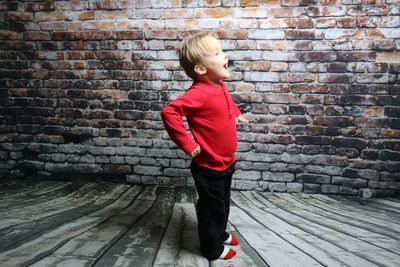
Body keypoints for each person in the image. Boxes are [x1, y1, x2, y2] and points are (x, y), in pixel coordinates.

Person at [160, 31, 248, 261]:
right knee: (211, 209)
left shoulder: (218, 84)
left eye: (222, 50)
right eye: (218, 53)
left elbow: (226, 103)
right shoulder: (198, 93)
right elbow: (169, 112)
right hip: (209, 166)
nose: (225, 54)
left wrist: (235, 114)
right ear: (200, 69)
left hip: (226, 161)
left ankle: (219, 233)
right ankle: (211, 248)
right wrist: (188, 144)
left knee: (223, 203)